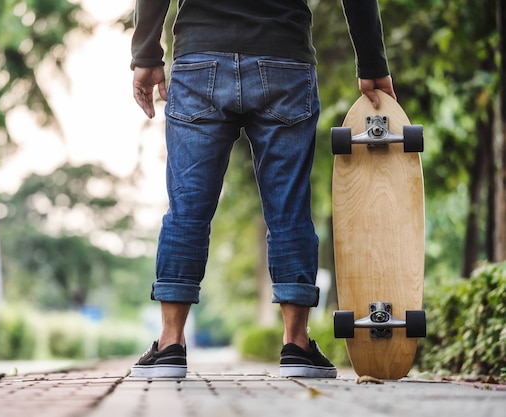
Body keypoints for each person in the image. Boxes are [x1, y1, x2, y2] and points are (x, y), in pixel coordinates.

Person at [129, 0, 396, 378]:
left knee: (187, 209)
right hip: (284, 59)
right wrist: (371, 63)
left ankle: (170, 342)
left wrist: (146, 53)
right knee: (289, 209)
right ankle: (297, 344)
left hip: (200, 58)